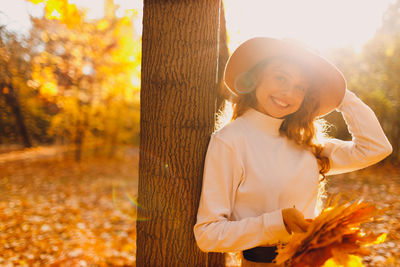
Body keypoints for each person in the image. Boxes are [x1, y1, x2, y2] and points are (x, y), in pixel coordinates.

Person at [193, 37, 393, 267]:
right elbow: (207, 235)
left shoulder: (306, 143)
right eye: (280, 77)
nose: (288, 92)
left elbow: (376, 147)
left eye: (300, 87)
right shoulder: (230, 141)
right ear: (256, 77)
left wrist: (341, 95)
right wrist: (279, 221)